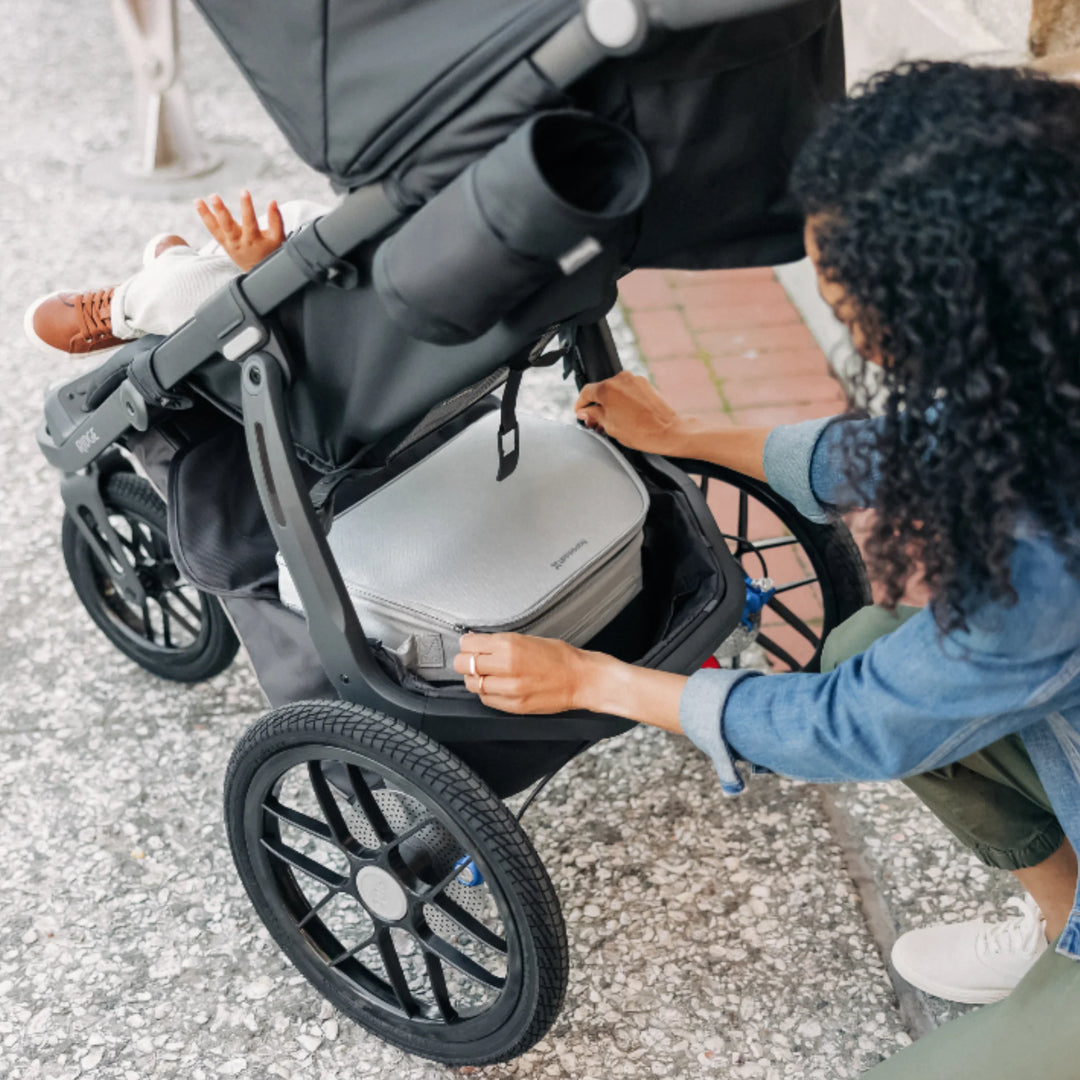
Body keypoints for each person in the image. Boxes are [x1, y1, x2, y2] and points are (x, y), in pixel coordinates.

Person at [454, 62, 1080, 1077]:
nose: (853, 333)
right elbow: (926, 441)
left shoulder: (1048, 555)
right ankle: (1062, 927)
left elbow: (854, 723)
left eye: (864, 313)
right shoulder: (1051, 348)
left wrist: (595, 681)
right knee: (870, 638)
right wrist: (694, 433)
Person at [23, 191, 326, 356]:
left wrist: (266, 271)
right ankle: (180, 265)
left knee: (185, 290)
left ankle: (121, 313)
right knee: (299, 215)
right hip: (351, 278)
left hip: (317, 331)